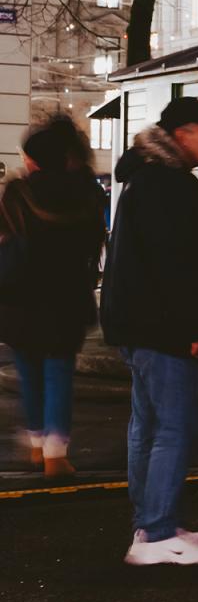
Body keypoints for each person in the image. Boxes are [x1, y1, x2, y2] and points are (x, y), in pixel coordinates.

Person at [99, 97, 198, 566]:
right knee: (174, 428)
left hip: (138, 323)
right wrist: (194, 329)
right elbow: (177, 266)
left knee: (148, 427)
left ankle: (152, 524)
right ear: (180, 135)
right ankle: (155, 532)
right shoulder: (170, 186)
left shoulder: (144, 179)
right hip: (163, 327)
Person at [0, 116, 108, 480]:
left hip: (19, 302)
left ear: (34, 160)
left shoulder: (17, 194)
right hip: (65, 300)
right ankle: (56, 454)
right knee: (59, 374)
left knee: (29, 374)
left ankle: (36, 445)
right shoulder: (84, 194)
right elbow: (92, 247)